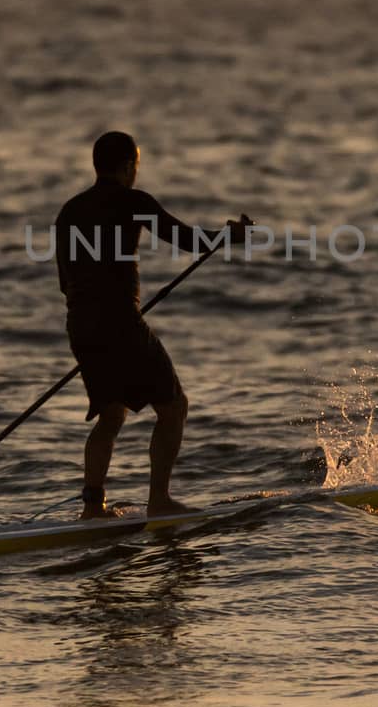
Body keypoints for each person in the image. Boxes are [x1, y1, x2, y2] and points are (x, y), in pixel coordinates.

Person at [54, 131, 251, 519]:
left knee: (111, 414)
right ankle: (159, 501)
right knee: (174, 406)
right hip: (119, 323)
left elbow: (65, 282)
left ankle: (93, 507)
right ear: (128, 166)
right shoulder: (133, 202)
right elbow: (187, 239)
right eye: (135, 167)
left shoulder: (69, 212)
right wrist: (228, 235)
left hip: (80, 324)